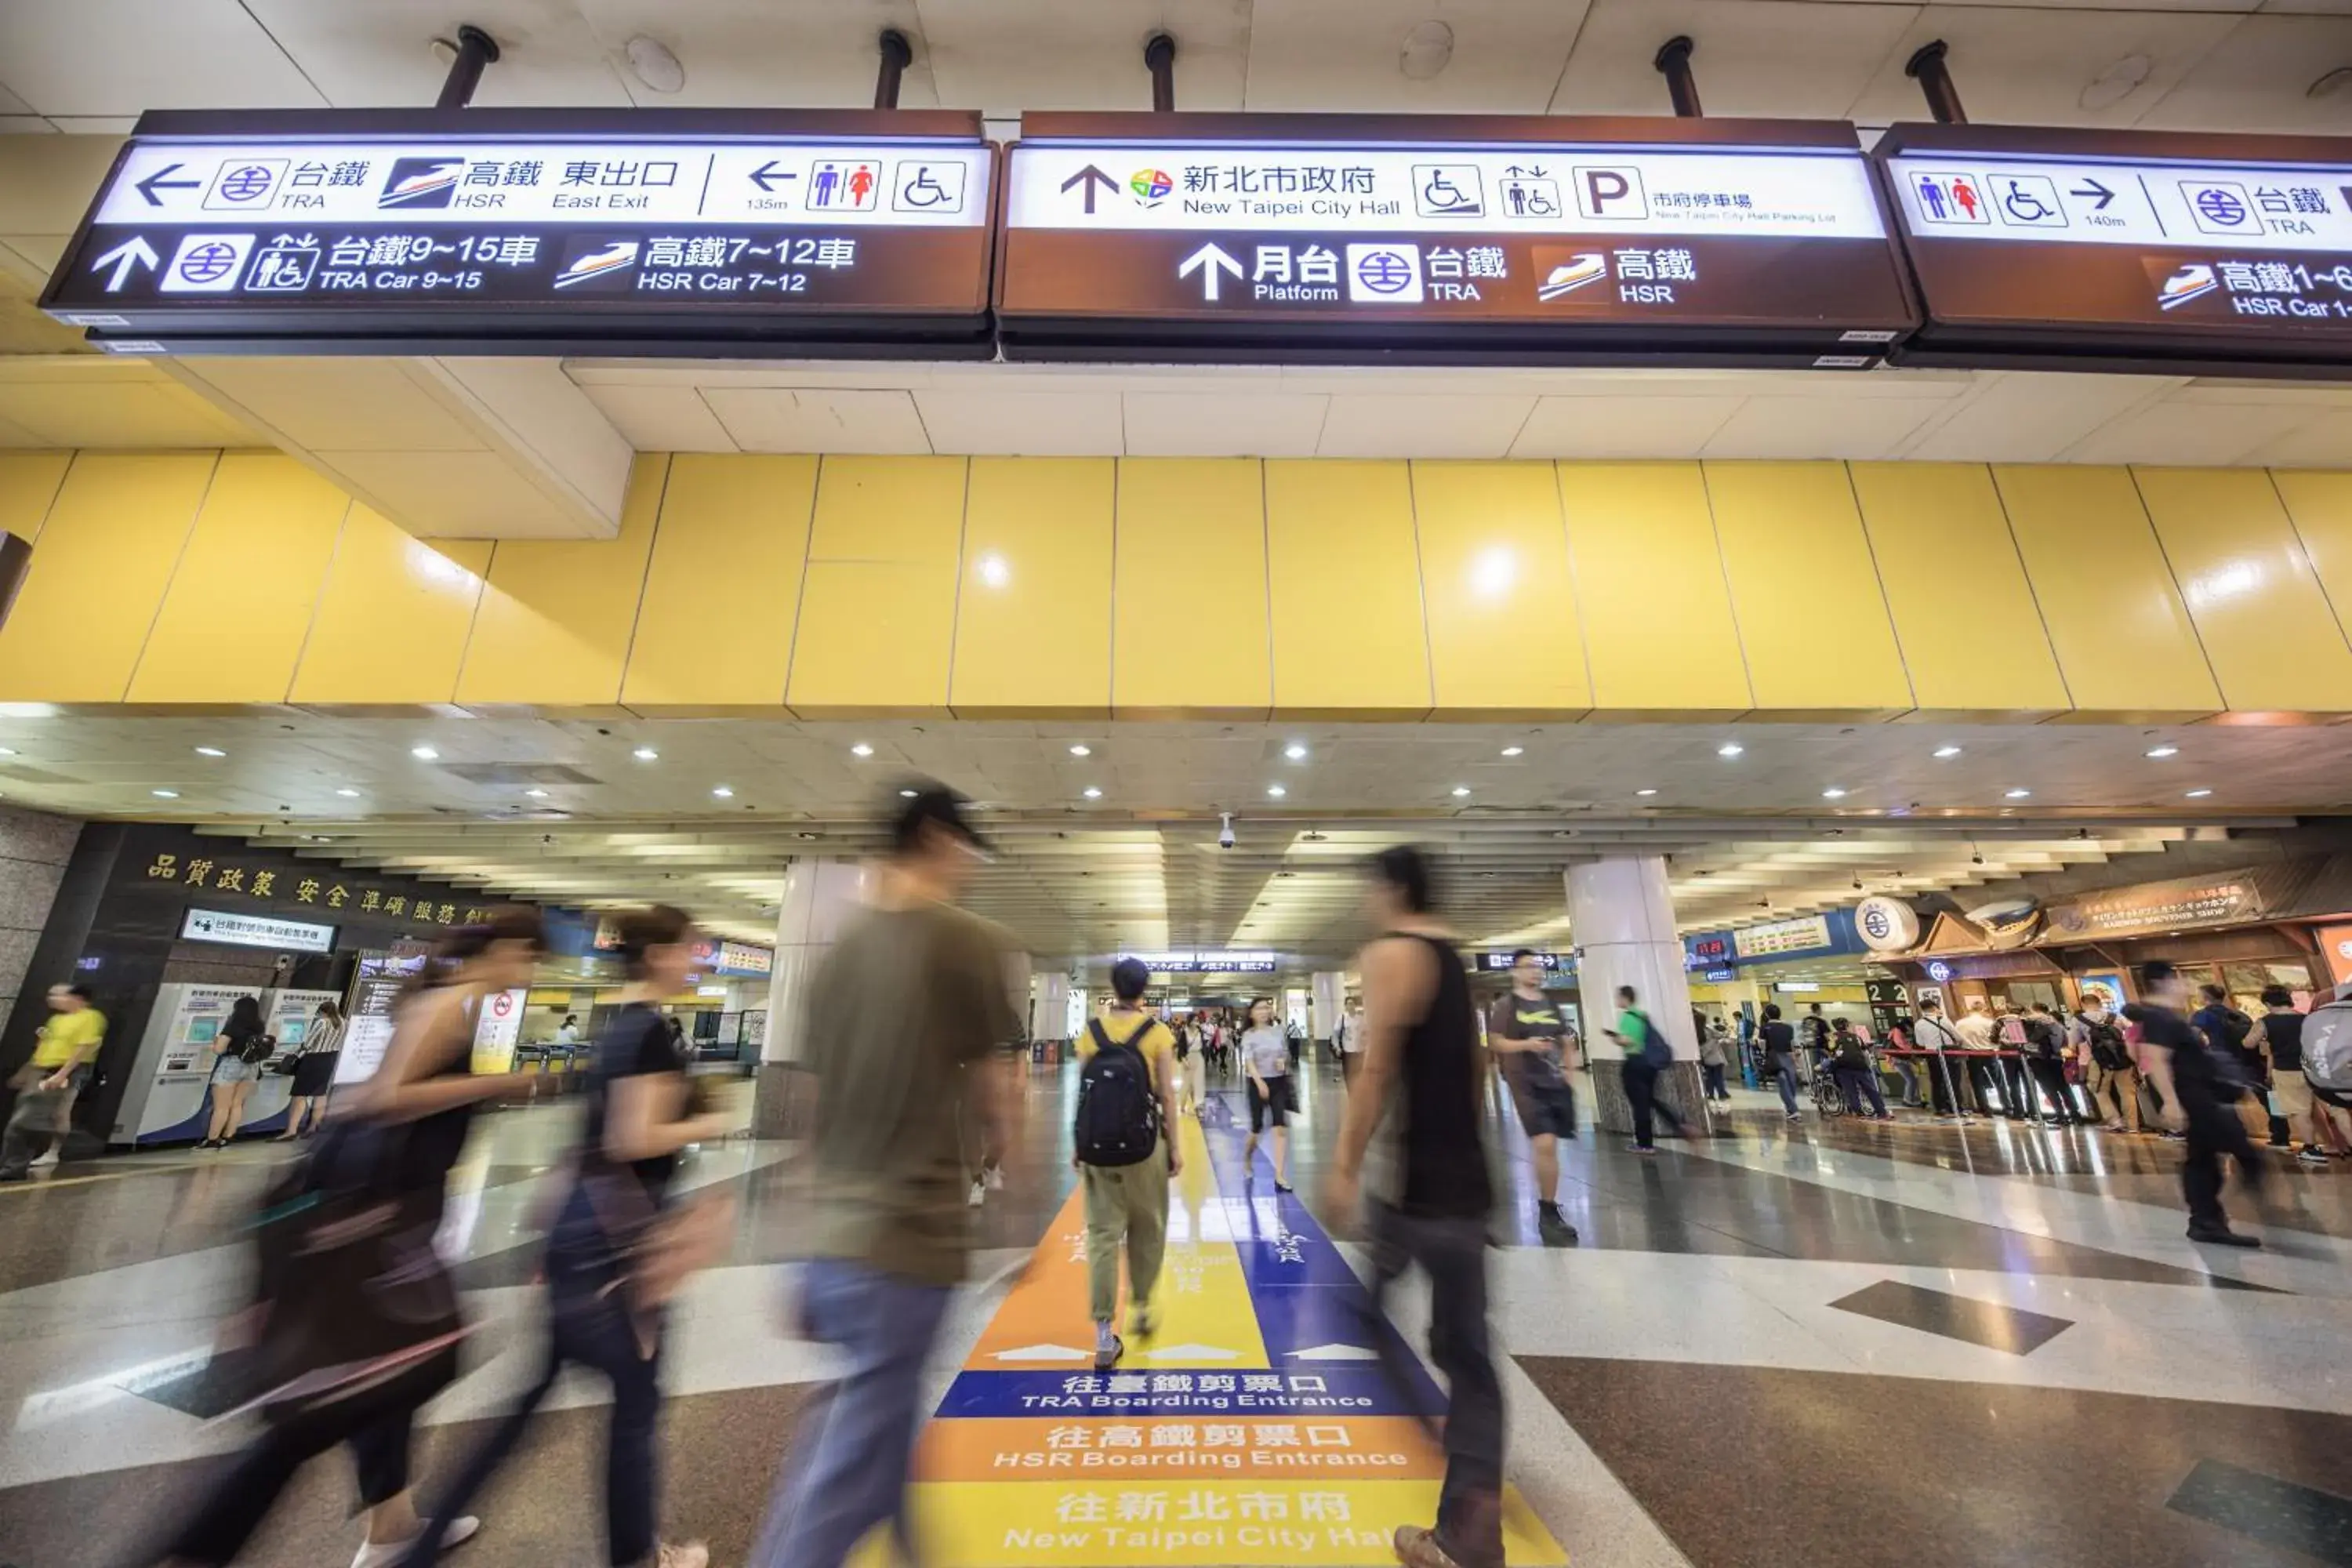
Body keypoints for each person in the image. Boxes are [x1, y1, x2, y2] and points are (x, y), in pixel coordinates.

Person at [158, 909, 544, 1568]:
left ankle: (391, 1524)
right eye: (530, 958)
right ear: (506, 951)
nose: (530, 972)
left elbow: (373, 1101)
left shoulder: (445, 1002)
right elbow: (390, 1098)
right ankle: (192, 1553)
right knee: (321, 1408)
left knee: (388, 1368)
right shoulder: (450, 1005)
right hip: (376, 1226)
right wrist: (507, 1082)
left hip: (389, 1221)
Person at [405, 907, 728, 1568]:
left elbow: (589, 1140)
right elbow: (632, 1140)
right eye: (690, 948)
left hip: (577, 1235)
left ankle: (425, 1543)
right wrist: (710, 1124)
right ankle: (638, 1555)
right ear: (660, 955)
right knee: (637, 1404)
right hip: (619, 1249)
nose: (698, 959)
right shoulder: (651, 1034)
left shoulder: (615, 1026)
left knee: (529, 1403)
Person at [750, 783, 1017, 1568]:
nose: (971, 863)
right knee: (846, 1471)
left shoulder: (836, 952)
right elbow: (1000, 1092)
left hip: (835, 1238)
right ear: (934, 836)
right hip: (907, 1240)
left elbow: (810, 1101)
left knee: (876, 1421)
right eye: (966, 845)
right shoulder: (965, 938)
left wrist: (799, 1233)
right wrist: (1011, 1199)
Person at [1327, 847, 1503, 1568]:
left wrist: (1343, 1166)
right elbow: (1471, 1071)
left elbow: (1376, 1071)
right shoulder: (1454, 958)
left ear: (1393, 889)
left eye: (1373, 889)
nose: (1369, 901)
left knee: (1369, 1319)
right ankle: (1471, 1509)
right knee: (1465, 1351)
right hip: (1463, 1190)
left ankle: (1452, 1453)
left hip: (1417, 1194)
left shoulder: (1392, 952)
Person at [1073, 958, 1182, 1370]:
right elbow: (1168, 1097)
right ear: (1144, 989)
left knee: (1102, 1235)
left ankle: (1103, 1334)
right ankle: (1140, 1304)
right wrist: (1175, 1146)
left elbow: (1083, 1093)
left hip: (1097, 1148)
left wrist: (1077, 1142)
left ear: (1113, 987)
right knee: (1148, 1226)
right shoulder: (1157, 1033)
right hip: (1145, 1146)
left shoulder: (1091, 1032)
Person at [2136, 960, 2267, 1247]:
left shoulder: (2167, 1016)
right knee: (2237, 1150)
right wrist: (2171, 1102)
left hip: (2198, 1095)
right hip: (2192, 1098)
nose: (2186, 987)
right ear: (2163, 982)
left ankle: (2206, 1221)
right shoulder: (2159, 1017)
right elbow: (2156, 1060)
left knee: (2202, 1158)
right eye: (2180, 980)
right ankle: (2210, 1217)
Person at [1486, 950, 1578, 1245]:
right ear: (1515, 972)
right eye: (1528, 967)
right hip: (1524, 1082)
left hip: (1553, 1081)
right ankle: (1547, 1212)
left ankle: (1549, 1207)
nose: (1535, 972)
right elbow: (1496, 1041)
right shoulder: (1506, 1005)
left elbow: (1566, 1040)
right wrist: (1527, 1044)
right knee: (1545, 1142)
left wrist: (1569, 1069)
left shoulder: (1551, 1003)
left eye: (1537, 967)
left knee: (1550, 1146)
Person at [0, 983, 104, 1181]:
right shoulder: (56, 1019)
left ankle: (15, 1166)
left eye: (58, 995)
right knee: (23, 1119)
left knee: (25, 1121)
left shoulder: (90, 1018)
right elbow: (44, 1049)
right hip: (42, 1070)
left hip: (58, 1072)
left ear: (76, 998)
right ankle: (12, 1164)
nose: (53, 999)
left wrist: (62, 1074)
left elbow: (82, 1049)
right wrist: (27, 1071)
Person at [2245, 985, 2325, 1168]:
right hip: (2313, 1069)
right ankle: (2333, 1143)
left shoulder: (2266, 1022)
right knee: (2320, 1109)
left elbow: (2249, 1043)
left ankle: (2311, 1149)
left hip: (2286, 1070)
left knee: (2300, 1112)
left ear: (2267, 1003)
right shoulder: (2306, 1019)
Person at [1606, 985, 1685, 1153]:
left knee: (1640, 1105)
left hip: (1634, 1063)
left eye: (1618, 997)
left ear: (1625, 998)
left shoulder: (1627, 1017)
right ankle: (1677, 1124)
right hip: (1650, 1064)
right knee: (1649, 1100)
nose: (1617, 1000)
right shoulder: (1643, 1016)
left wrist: (1615, 1039)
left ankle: (1644, 1143)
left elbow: (1628, 1041)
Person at [1240, 996, 1295, 1191]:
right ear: (1252, 1013)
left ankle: (1279, 1175)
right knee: (1257, 1128)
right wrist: (1259, 1082)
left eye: (1267, 1008)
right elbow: (1249, 1062)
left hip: (1278, 1082)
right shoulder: (1248, 1035)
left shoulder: (1278, 1032)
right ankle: (1247, 1157)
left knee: (1280, 1127)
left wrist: (1283, 1061)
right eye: (1260, 1008)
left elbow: (1285, 1054)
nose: (1264, 1011)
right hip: (1257, 1084)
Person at [199, 996, 270, 1149]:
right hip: (251, 1067)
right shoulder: (259, 1026)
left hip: (231, 1065)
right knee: (237, 1105)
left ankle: (212, 1140)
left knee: (221, 1107)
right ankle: (228, 1137)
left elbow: (219, 1049)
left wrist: (214, 1043)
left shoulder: (233, 1025)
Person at [278, 998, 345, 1142]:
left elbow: (308, 1044)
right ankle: (313, 1127)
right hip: (329, 1060)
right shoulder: (343, 1022)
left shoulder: (322, 1022)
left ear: (323, 1012)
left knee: (300, 1096)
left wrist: (294, 1057)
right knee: (320, 1094)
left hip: (313, 1060)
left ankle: (291, 1131)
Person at [2081, 995, 2140, 1135]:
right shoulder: (2116, 1016)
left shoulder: (2079, 1020)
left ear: (2083, 1004)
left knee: (2099, 1090)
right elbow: (2133, 1030)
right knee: (2127, 1092)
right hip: (2122, 1058)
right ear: (2099, 1003)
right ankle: (2132, 1126)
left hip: (2099, 1061)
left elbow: (2073, 1042)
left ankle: (2114, 1121)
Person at [1910, 998, 1969, 1121]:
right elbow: (1958, 1037)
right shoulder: (1943, 1020)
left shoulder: (1919, 1024)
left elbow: (1920, 1042)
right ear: (1934, 1008)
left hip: (1932, 1055)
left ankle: (1940, 1107)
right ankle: (1956, 1107)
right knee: (1953, 1081)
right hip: (1948, 1053)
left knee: (1937, 1081)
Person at [2026, 1002, 2082, 1126]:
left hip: (2038, 1058)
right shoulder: (2057, 1024)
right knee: (2063, 1086)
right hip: (2056, 1058)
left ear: (2033, 1010)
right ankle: (2075, 1114)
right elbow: (2065, 1040)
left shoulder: (2031, 1021)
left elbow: (2029, 1040)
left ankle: (2060, 1115)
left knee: (2048, 1088)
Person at [1830, 1017, 1889, 1120]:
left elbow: (1831, 1052)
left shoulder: (1833, 1038)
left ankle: (1859, 1112)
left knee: (1851, 1091)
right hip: (1860, 1066)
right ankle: (1881, 1112)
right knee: (1870, 1089)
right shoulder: (1856, 1037)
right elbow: (1864, 1051)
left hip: (1843, 1068)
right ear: (1847, 1026)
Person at [1759, 1003, 1801, 1121]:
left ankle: (1793, 1110)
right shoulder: (1788, 1027)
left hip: (1775, 1057)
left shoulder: (1765, 1027)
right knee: (1791, 1083)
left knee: (1783, 1083)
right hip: (1789, 1056)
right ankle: (1791, 1108)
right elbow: (1792, 1045)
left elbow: (1762, 1045)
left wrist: (1764, 1055)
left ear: (1767, 1014)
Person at [1699, 1018, 1732, 1103]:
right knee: (1718, 1077)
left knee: (1710, 1077)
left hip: (1705, 1058)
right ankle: (1721, 1094)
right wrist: (1727, 1031)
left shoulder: (1697, 1030)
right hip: (1716, 1058)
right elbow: (1721, 1035)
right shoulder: (1709, 1030)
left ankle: (1711, 1095)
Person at [1334, 996, 1366, 1085]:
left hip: (1359, 1051)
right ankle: (1351, 1093)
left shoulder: (1361, 1018)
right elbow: (1336, 1034)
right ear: (1346, 1006)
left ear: (1355, 1005)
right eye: (1348, 1004)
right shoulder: (1342, 1018)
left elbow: (1366, 1034)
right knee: (1348, 1075)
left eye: (1352, 1004)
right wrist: (1337, 1047)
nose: (1351, 1006)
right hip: (1348, 1051)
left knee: (1359, 1074)